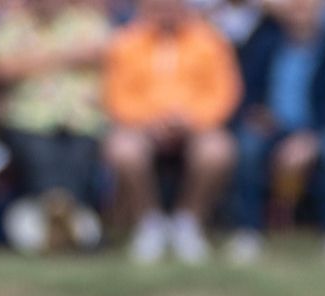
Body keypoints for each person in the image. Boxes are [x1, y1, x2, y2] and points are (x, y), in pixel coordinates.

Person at [103, 0, 241, 266]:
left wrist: (191, 119)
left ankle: (188, 222)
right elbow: (117, 95)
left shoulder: (210, 41)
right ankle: (149, 222)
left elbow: (223, 93)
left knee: (217, 151)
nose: (166, 11)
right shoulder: (126, 42)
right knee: (123, 150)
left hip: (196, 125)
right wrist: (150, 120)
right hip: (143, 125)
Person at [227, 0, 325, 268]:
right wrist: (256, 114)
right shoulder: (265, 45)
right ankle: (248, 231)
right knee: (247, 146)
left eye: (308, 7)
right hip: (272, 129)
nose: (301, 12)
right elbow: (245, 91)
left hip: (318, 129)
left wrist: (310, 138)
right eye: (296, 6)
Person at [0, 0, 113, 255]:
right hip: (27, 120)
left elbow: (106, 55)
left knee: (79, 156)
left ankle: (58, 222)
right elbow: (2, 70)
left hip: (82, 120)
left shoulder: (90, 23)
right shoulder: (9, 27)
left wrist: (34, 61)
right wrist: (68, 56)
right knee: (41, 157)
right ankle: (69, 224)